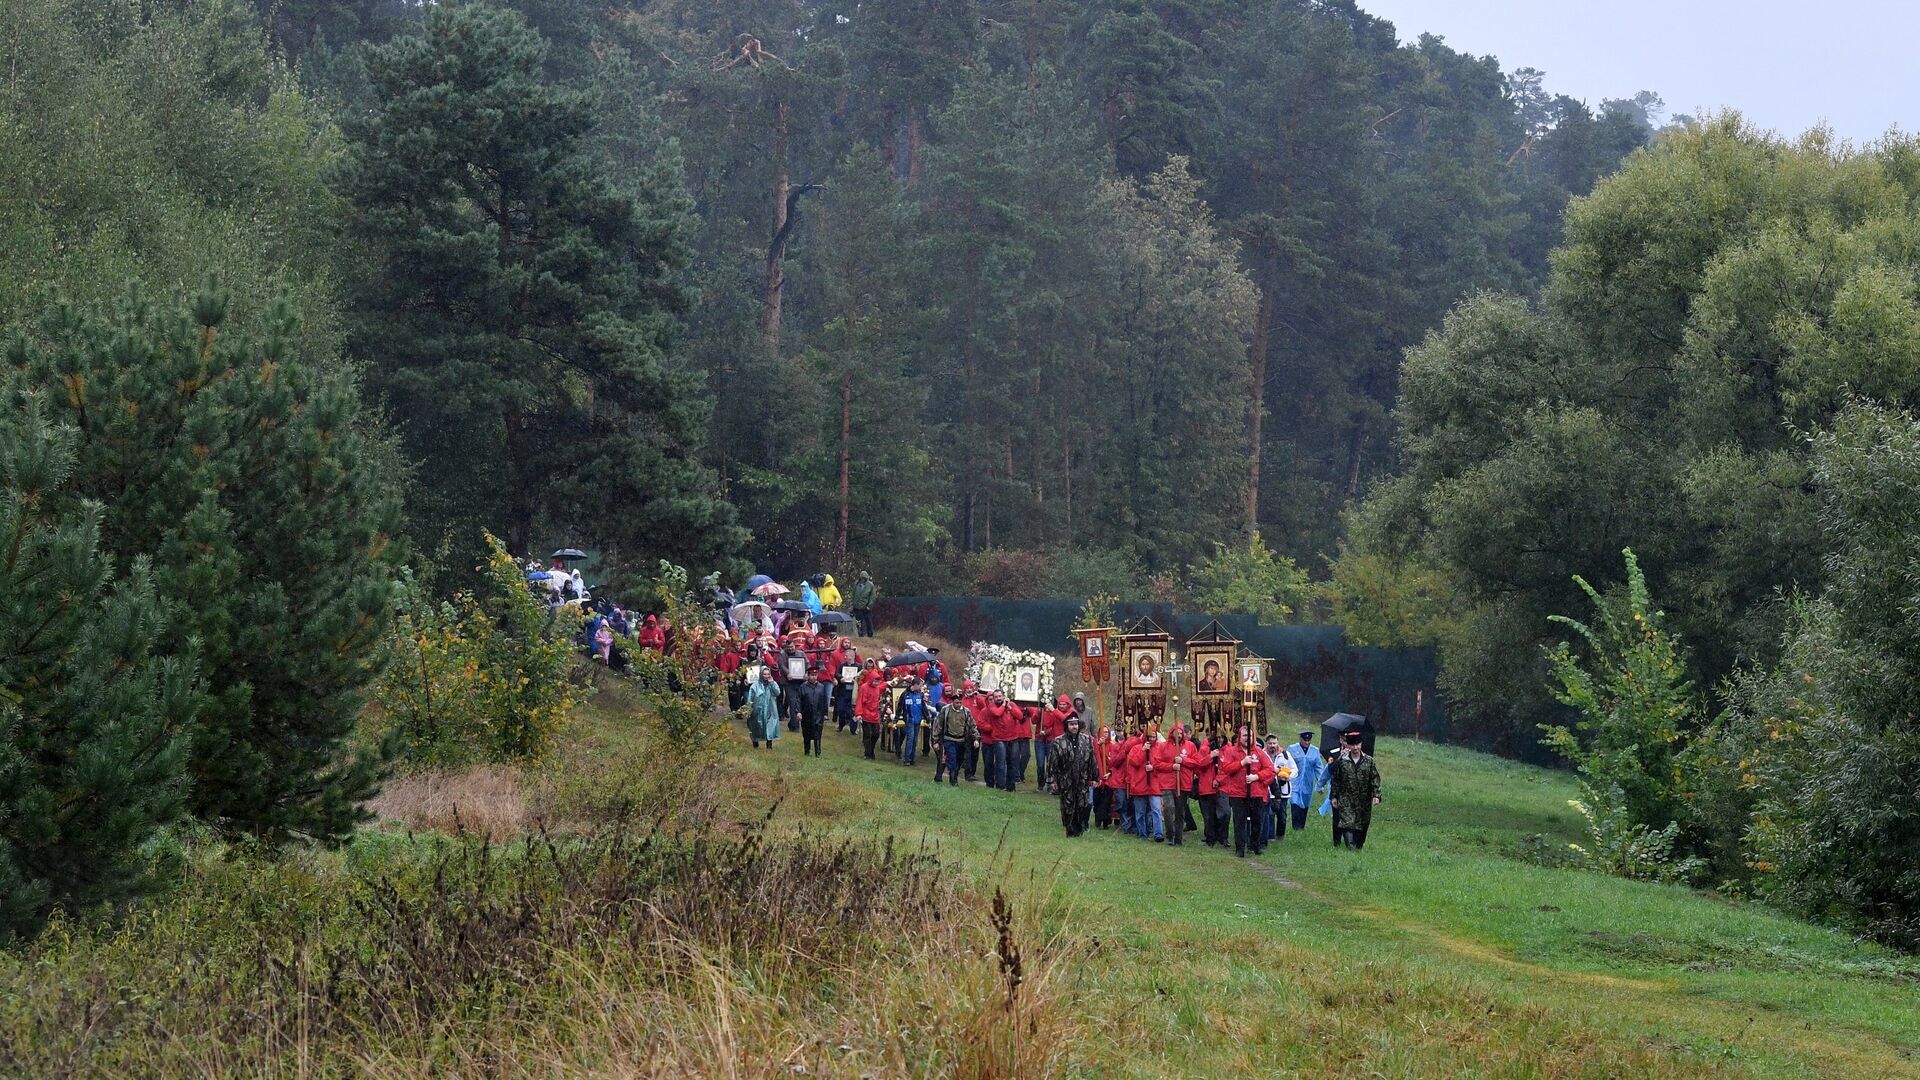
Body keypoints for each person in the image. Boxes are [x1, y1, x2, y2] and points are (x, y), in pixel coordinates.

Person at [1218, 725, 1276, 858]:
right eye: (1244, 736)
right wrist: (1242, 763)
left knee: (1257, 820)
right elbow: (1226, 768)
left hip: (1256, 792)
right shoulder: (1232, 752)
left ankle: (1255, 845)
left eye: (1249, 736)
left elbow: (1270, 769)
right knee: (1239, 822)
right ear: (1239, 737)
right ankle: (1240, 848)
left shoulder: (1259, 752)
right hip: (1238, 793)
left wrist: (1257, 776)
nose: (1247, 738)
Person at [1329, 730, 1382, 849]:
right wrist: (1334, 796)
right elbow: (1336, 779)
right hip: (1346, 798)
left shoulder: (1369, 761)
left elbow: (1375, 778)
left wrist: (1376, 795)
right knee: (1347, 824)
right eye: (1352, 745)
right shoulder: (1342, 761)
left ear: (1361, 744)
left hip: (1363, 800)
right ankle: (1350, 848)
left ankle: (1357, 847)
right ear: (1348, 745)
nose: (1355, 747)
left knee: (1362, 826)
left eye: (1357, 744)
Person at [1049, 713, 1097, 837]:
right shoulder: (1058, 742)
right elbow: (1053, 762)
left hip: (1083, 778)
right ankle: (1070, 830)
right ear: (1067, 726)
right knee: (1068, 806)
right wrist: (1052, 780)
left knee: (1082, 804)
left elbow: (1092, 759)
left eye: (1075, 724)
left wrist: (1094, 777)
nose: (1074, 727)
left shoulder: (1087, 740)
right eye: (1071, 724)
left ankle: (1079, 828)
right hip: (1066, 779)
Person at [1125, 722, 1165, 841]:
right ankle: (1142, 834)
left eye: (1154, 737)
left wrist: (1154, 767)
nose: (1152, 739)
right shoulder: (1136, 748)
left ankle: (1158, 834)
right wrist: (1143, 750)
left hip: (1154, 784)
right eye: (1150, 737)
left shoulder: (1160, 748)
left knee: (1156, 810)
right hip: (1139, 784)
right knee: (1140, 812)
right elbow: (1134, 762)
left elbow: (1163, 764)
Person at [1284, 729, 1329, 832]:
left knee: (1304, 806)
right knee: (1294, 803)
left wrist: (1320, 784)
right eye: (1305, 740)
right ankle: (1295, 827)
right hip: (1294, 782)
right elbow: (1286, 764)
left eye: (1309, 740)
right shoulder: (1292, 749)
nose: (1307, 742)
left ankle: (1301, 828)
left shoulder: (1315, 751)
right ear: (1300, 739)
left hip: (1307, 783)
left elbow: (1319, 768)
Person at [933, 694, 977, 786]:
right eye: (957, 702)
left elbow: (972, 725)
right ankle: (953, 781)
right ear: (953, 702)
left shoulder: (966, 711)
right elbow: (939, 725)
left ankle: (950, 776)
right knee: (951, 759)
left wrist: (976, 738)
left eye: (960, 702)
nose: (959, 704)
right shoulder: (946, 710)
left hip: (961, 740)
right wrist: (936, 740)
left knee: (959, 760)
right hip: (948, 739)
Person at [1153, 724, 1186, 845]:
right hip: (1167, 782)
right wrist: (1171, 766)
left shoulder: (1188, 746)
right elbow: (1157, 763)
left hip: (1182, 783)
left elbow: (1195, 761)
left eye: (1181, 733)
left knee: (1180, 811)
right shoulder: (1163, 746)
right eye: (1177, 733)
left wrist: (1184, 761)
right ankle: (1170, 834)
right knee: (1169, 808)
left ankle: (1179, 837)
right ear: (1172, 732)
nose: (1179, 735)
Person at [1262, 733, 1292, 843]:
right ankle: (1270, 837)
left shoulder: (1285, 755)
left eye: (1274, 743)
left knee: (1282, 815)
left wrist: (1288, 776)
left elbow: (1294, 769)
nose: (1272, 745)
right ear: (1266, 744)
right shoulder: (1262, 754)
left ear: (1277, 743)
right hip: (1268, 789)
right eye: (1270, 743)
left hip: (1283, 789)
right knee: (1269, 814)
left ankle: (1280, 836)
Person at [1037, 695, 1070, 790]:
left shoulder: (1071, 712)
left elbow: (1065, 720)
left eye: (1064, 704)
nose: (1062, 706)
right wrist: (1045, 731)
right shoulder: (1054, 712)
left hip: (1065, 742)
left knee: (1062, 765)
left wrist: (1054, 710)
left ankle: (1061, 785)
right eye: (1060, 704)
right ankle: (1051, 785)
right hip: (1053, 741)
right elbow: (1049, 725)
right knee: (1052, 764)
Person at [745, 665, 782, 749]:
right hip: (758, 710)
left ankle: (769, 745)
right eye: (764, 674)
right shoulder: (755, 685)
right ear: (761, 674)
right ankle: (755, 742)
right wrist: (748, 709)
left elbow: (777, 693)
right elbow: (750, 698)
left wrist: (772, 683)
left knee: (770, 726)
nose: (766, 676)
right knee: (757, 726)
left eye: (768, 674)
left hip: (770, 709)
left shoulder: (773, 683)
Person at [855, 659, 885, 759]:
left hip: (875, 715)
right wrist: (859, 713)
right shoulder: (864, 687)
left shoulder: (877, 688)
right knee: (867, 735)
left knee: (876, 734)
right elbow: (859, 701)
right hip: (866, 714)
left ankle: (871, 750)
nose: (877, 683)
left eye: (878, 681)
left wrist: (890, 683)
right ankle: (868, 753)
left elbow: (882, 686)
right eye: (875, 681)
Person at [797, 669, 830, 756]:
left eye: (815, 675)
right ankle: (807, 751)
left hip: (818, 715)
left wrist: (825, 713)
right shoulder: (803, 687)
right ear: (808, 675)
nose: (813, 677)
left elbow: (824, 701)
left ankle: (818, 753)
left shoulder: (821, 687)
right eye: (811, 675)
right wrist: (798, 712)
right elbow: (798, 700)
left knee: (817, 734)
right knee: (806, 734)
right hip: (806, 714)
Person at [1005, 704, 1034, 790]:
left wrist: (1026, 707)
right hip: (1015, 733)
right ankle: (1016, 776)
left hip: (1025, 734)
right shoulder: (1012, 704)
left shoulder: (1027, 704)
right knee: (1015, 756)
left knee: (1026, 755)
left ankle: (1020, 772)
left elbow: (1033, 712)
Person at [899, 679, 927, 766]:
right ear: (915, 685)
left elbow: (923, 707)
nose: (921, 687)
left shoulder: (920, 695)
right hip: (909, 720)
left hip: (918, 720)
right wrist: (897, 718)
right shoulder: (905, 694)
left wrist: (927, 718)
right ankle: (906, 759)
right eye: (920, 685)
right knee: (910, 739)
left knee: (915, 740)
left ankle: (912, 758)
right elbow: (900, 707)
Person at [850, 570, 878, 636]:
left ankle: (870, 634)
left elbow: (873, 596)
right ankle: (860, 634)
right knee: (858, 622)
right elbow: (853, 595)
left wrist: (869, 605)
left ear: (866, 578)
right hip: (857, 608)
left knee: (868, 622)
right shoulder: (856, 584)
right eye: (861, 578)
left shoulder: (870, 585)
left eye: (864, 578)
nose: (862, 579)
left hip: (866, 608)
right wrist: (852, 605)